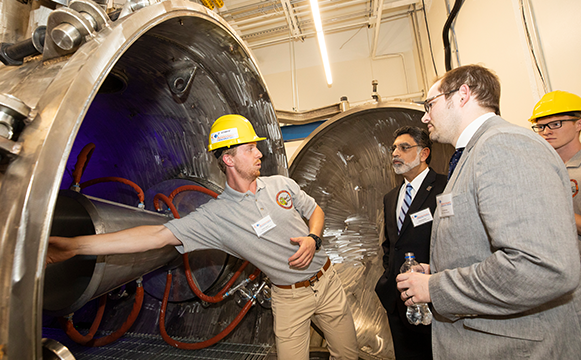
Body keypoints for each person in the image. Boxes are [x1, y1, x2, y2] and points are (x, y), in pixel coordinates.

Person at [47, 114, 359, 360]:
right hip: (290, 297)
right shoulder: (216, 216)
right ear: (228, 158)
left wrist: (313, 239)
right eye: (250, 148)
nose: (259, 153)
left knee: (347, 354)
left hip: (328, 282)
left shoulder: (280, 185)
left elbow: (315, 210)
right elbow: (156, 235)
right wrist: (76, 246)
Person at [395, 64, 581, 359]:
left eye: (430, 104)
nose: (425, 116)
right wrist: (440, 269)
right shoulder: (472, 154)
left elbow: (541, 267)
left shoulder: (503, 146)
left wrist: (436, 287)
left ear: (463, 94)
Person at [375, 126, 446, 360]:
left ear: (424, 153)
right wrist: (388, 279)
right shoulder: (391, 197)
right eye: (394, 148)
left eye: (404, 148)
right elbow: (391, 245)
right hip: (397, 301)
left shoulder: (445, 188)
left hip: (433, 300)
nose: (396, 153)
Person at [529, 90, 581, 239]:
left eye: (555, 124)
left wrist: (552, 209)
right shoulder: (538, 169)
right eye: (541, 126)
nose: (546, 132)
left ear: (578, 124)